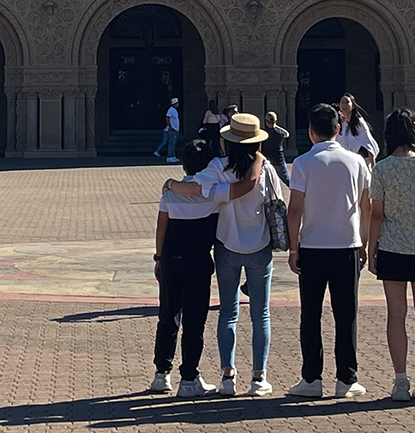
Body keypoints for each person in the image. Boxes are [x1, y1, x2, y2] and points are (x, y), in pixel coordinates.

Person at [165, 113, 282, 397]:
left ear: (226, 142)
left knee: (228, 313)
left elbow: (193, 188)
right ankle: (258, 378)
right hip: (260, 247)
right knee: (261, 314)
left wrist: (170, 185)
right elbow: (278, 206)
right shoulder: (266, 170)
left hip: (226, 247)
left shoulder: (218, 167)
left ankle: (228, 376)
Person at [150, 138, 263, 398]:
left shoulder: (170, 192)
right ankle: (189, 377)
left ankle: (161, 374)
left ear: (184, 164)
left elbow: (161, 227)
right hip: (198, 261)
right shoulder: (214, 192)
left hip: (171, 258)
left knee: (168, 315)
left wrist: (158, 257)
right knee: (194, 320)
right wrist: (256, 160)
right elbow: (245, 187)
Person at [286, 102, 371, 400]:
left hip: (311, 246)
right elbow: (366, 206)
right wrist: (365, 242)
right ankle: (347, 379)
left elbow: (294, 209)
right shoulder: (356, 162)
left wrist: (293, 248)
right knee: (346, 313)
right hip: (346, 245)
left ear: (310, 131)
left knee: (311, 314)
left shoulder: (303, 163)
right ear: (338, 129)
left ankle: (311, 378)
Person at [366, 108, 415, 402]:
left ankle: (400, 381)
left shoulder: (382, 169)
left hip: (392, 246)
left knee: (396, 315)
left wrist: (371, 249)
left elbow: (376, 214)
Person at [335, 93, 379, 165]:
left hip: (362, 162)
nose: (344, 105)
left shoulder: (359, 123)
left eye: (347, 102)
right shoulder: (343, 123)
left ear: (353, 106)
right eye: (342, 102)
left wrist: (373, 167)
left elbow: (368, 144)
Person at [262, 112, 290, 186]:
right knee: (287, 179)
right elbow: (287, 134)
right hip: (278, 160)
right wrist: (275, 125)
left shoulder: (264, 134)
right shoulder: (280, 134)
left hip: (266, 161)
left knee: (265, 182)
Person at [152, 97, 181, 162]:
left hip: (175, 129)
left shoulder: (174, 110)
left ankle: (173, 155)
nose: (178, 104)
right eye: (177, 103)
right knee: (171, 143)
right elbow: (167, 118)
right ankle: (169, 156)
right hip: (172, 129)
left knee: (173, 143)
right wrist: (170, 126)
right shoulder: (171, 110)